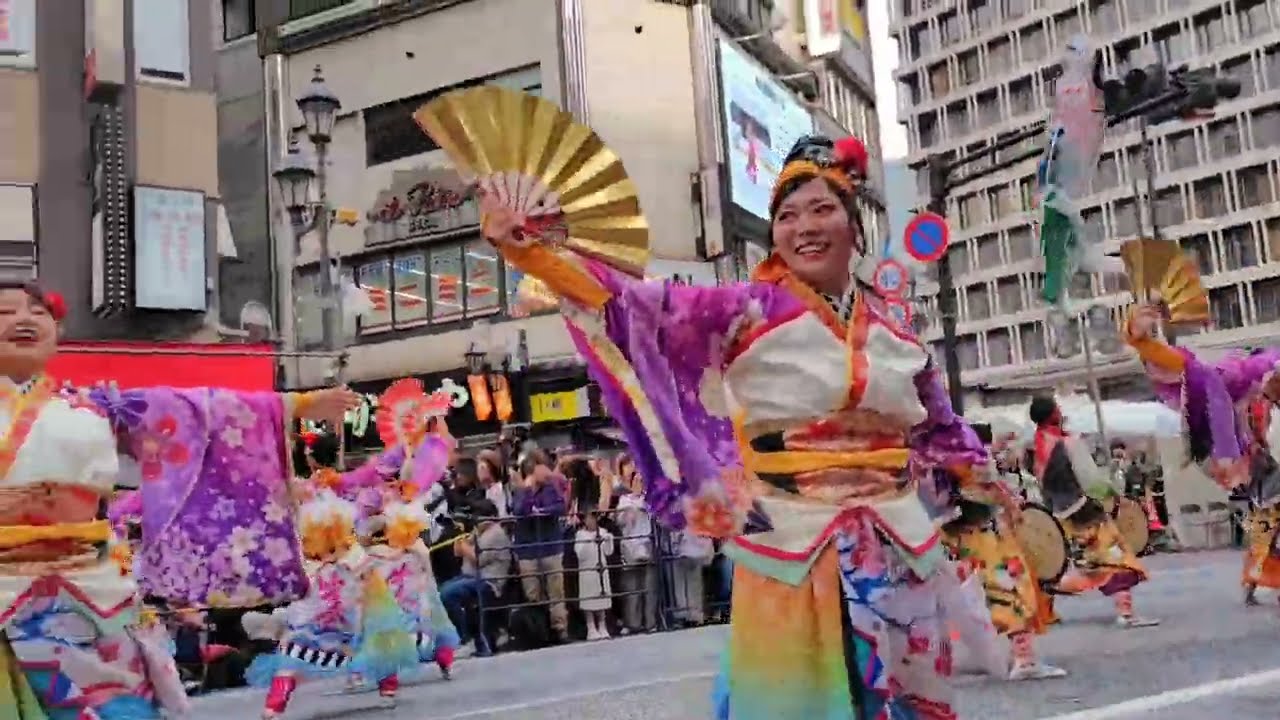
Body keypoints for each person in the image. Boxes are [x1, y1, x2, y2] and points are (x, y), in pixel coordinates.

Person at [475, 133, 993, 719]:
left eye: (823, 210)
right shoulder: (744, 309)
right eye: (788, 216)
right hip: (791, 544)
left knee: (911, 708)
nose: (804, 228)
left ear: (855, 226)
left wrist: (988, 489)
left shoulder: (895, 331)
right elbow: (628, 304)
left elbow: (944, 430)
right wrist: (534, 251)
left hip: (898, 547)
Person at [0, 281, 359, 719]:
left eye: (37, 312)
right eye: (5, 312)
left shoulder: (96, 407)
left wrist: (299, 403)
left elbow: (205, 410)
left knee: (118, 709)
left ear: (57, 331)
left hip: (87, 588)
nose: (23, 319)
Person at [1125, 303, 1280, 606]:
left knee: (1265, 525)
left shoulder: (1230, 385)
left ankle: (1257, 580)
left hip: (1249, 463)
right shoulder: (1199, 379)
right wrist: (1139, 335)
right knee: (1267, 524)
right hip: (1248, 464)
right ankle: (1260, 580)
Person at [1029, 395, 1159, 628]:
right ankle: (1125, 613)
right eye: (1058, 409)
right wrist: (1114, 494)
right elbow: (1091, 481)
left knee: (1060, 564)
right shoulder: (1068, 443)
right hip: (1083, 510)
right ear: (1054, 415)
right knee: (1116, 557)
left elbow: (1039, 483)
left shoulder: (1036, 445)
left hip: (1056, 512)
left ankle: (1044, 609)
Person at [510, 450, 569, 643]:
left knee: (556, 590)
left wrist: (542, 510)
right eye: (542, 466)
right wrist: (527, 491)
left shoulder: (551, 488)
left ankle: (560, 629)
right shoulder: (519, 490)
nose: (547, 470)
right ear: (533, 469)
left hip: (550, 545)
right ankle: (539, 631)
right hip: (528, 549)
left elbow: (560, 507)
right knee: (532, 593)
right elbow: (520, 511)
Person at [442, 499, 512, 656]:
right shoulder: (479, 532)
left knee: (449, 593)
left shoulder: (495, 534)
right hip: (470, 577)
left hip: (489, 581)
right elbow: (458, 552)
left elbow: (478, 559)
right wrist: (461, 543)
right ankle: (464, 636)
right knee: (442, 591)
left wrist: (466, 547)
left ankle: (468, 638)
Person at [574, 507, 616, 640]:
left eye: (594, 518)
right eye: (589, 518)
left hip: (601, 570)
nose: (592, 521)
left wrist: (608, 539)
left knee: (602, 597)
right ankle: (591, 627)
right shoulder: (580, 535)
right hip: (587, 571)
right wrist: (590, 540)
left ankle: (602, 626)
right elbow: (580, 554)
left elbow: (608, 552)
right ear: (584, 520)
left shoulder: (602, 531)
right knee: (589, 599)